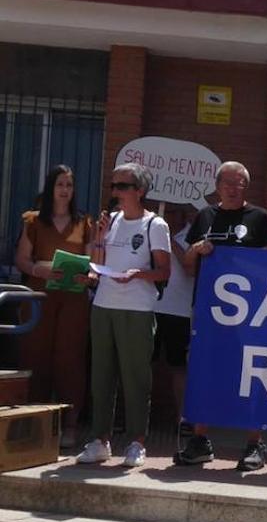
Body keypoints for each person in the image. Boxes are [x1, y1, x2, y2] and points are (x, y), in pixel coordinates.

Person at [175, 160, 267, 471]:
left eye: (240, 184)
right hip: (209, 312)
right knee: (206, 372)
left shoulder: (260, 218)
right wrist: (196, 250)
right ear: (217, 186)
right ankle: (200, 441)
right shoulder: (205, 216)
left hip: (251, 313)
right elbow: (189, 266)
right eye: (229, 183)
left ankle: (254, 443)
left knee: (252, 372)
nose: (234, 189)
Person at [76, 163, 171, 468]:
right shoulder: (111, 220)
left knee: (135, 378)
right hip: (104, 304)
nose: (115, 192)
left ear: (140, 191)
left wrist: (138, 274)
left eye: (122, 186)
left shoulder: (154, 225)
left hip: (137, 308)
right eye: (113, 185)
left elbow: (164, 271)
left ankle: (136, 442)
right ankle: (100, 440)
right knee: (101, 375)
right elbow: (97, 265)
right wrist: (98, 241)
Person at [14, 165, 93, 449]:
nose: (65, 190)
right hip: (39, 296)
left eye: (69, 185)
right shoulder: (33, 221)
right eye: (60, 184)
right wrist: (39, 269)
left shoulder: (84, 223)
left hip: (73, 299)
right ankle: (34, 423)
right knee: (35, 355)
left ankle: (70, 425)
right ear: (51, 188)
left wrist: (89, 275)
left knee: (70, 360)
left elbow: (92, 261)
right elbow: (21, 260)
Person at [151, 202, 195, 434]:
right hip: (150, 306)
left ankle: (183, 417)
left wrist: (171, 242)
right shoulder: (152, 228)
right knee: (144, 364)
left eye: (174, 211)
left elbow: (191, 268)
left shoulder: (193, 234)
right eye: (166, 211)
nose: (169, 216)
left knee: (178, 365)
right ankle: (136, 416)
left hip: (178, 310)